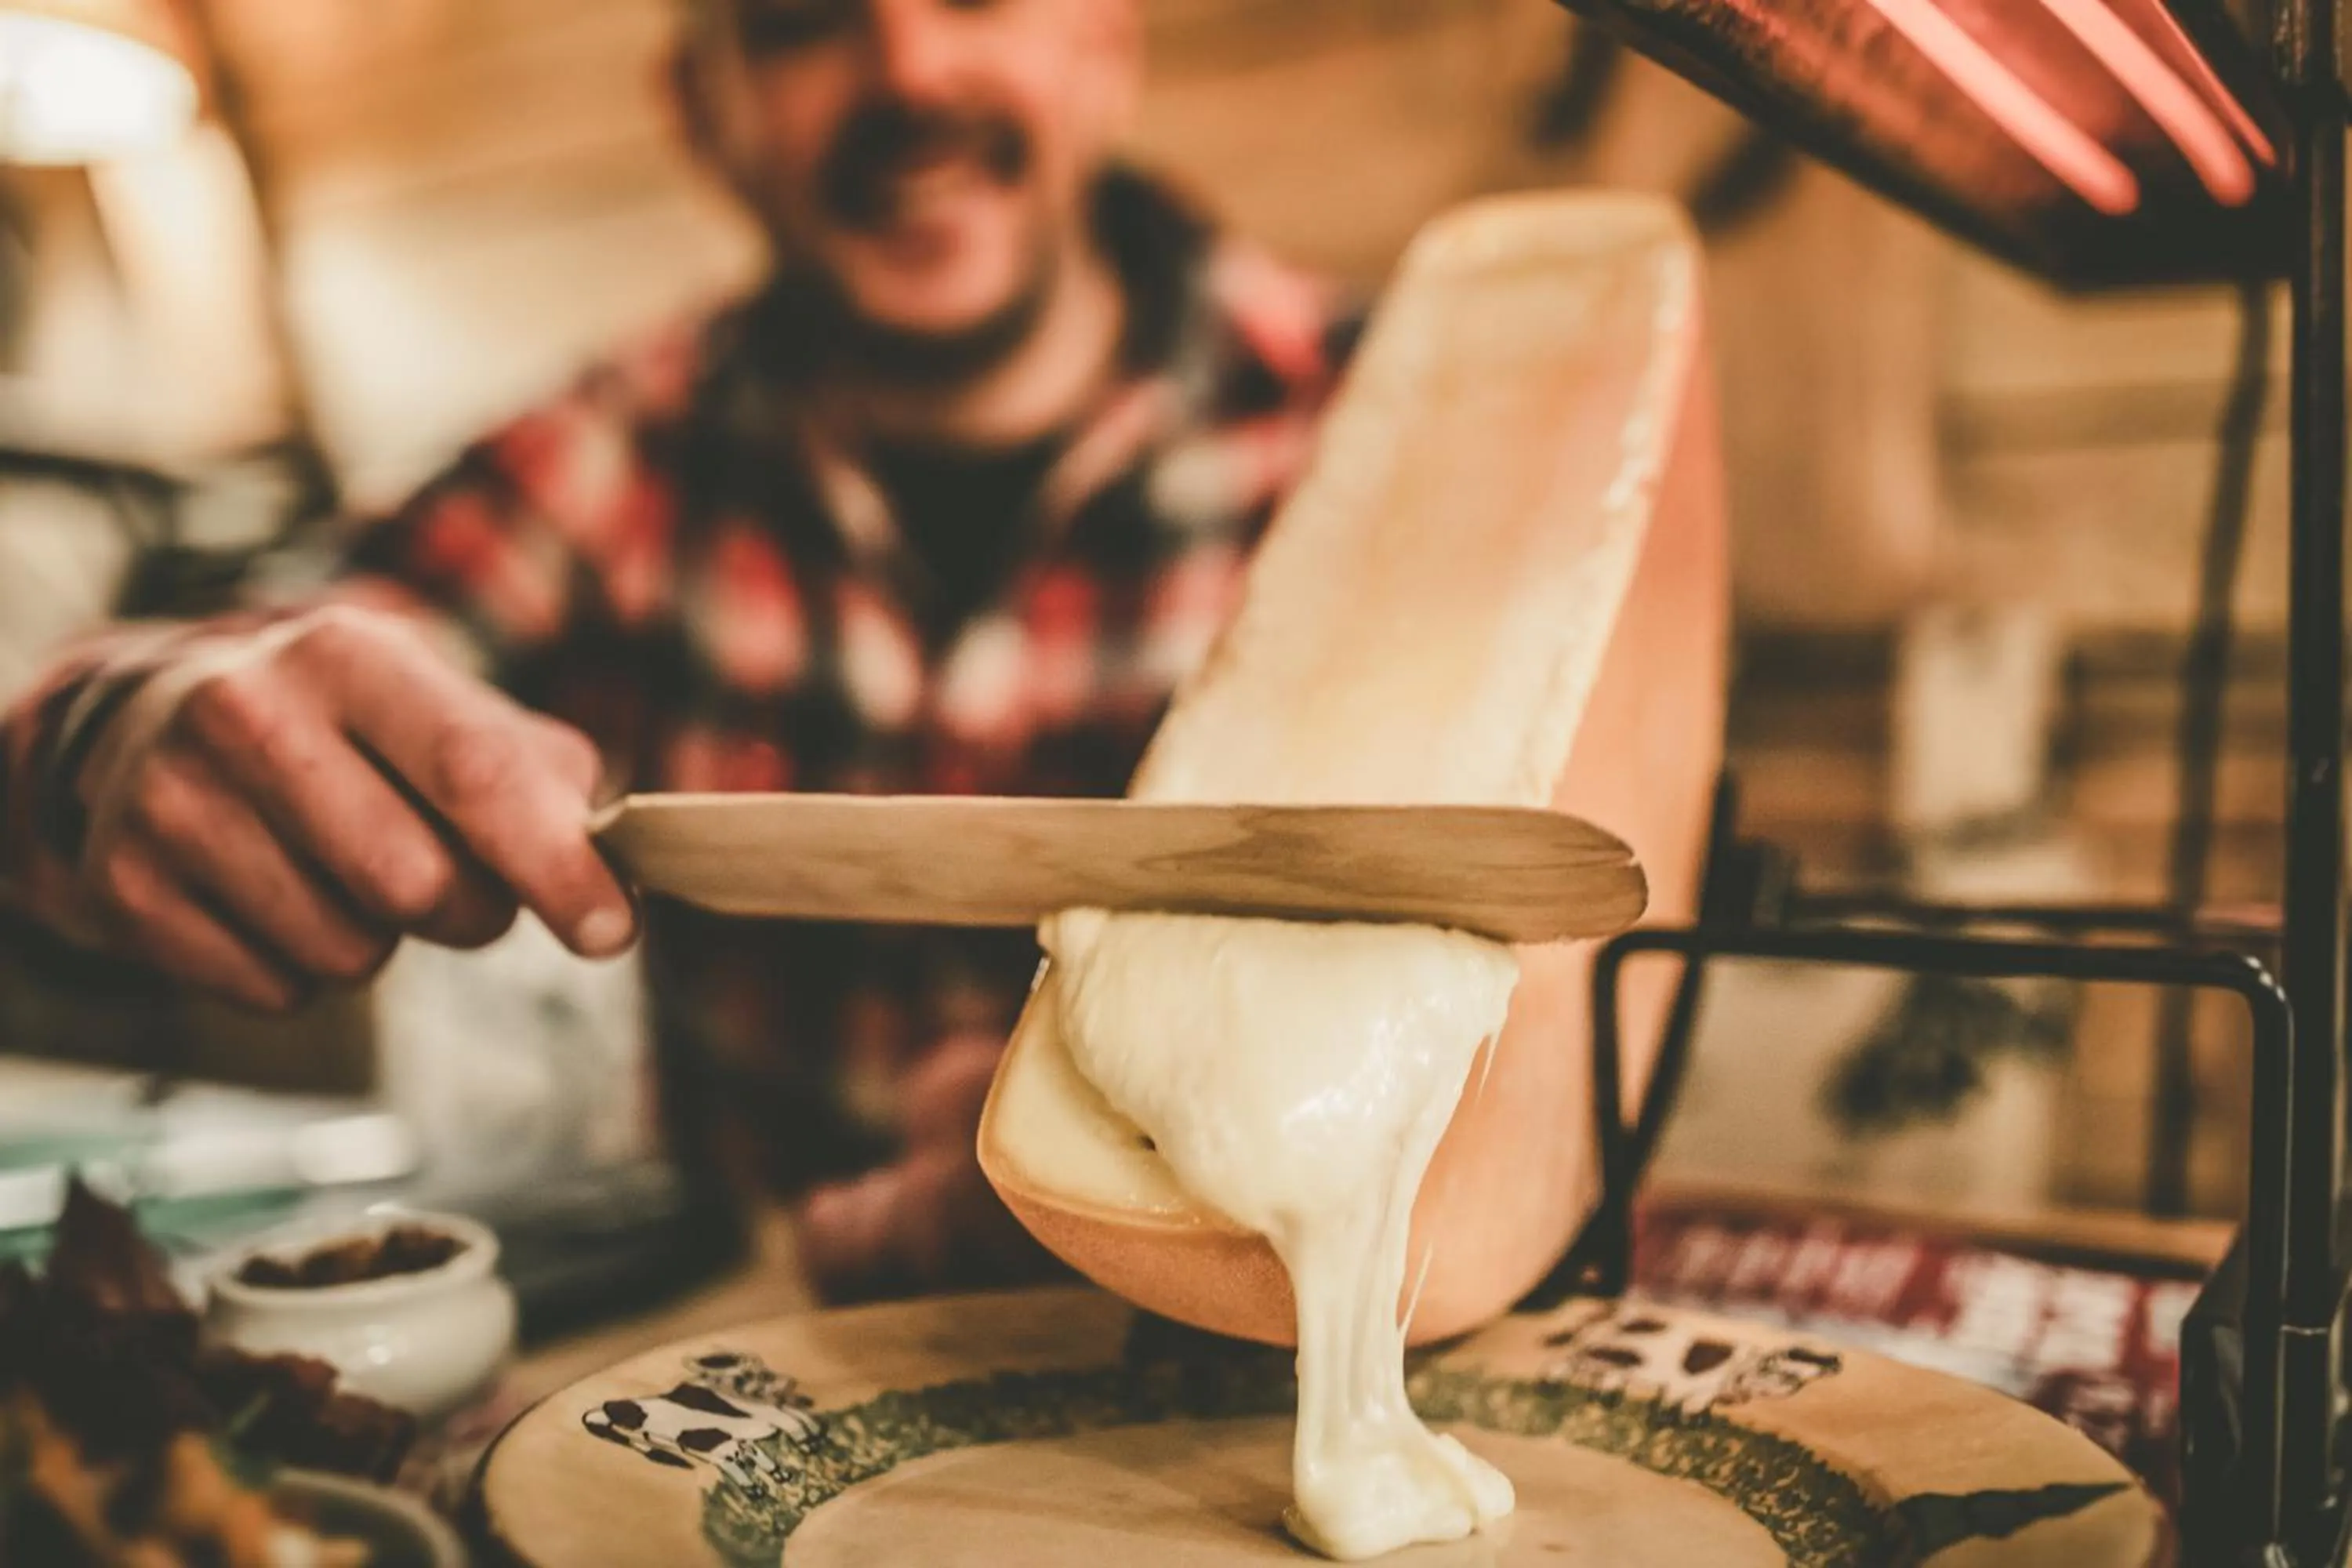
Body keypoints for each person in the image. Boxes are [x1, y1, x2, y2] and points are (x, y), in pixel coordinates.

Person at [0, 0, 1357, 1301]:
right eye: (794, 18)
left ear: (1102, 46)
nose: (908, 73)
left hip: (1291, 1358)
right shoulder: (619, 454)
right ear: (701, 111)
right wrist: (107, 736)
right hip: (749, 1375)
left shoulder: (1394, 426)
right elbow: (284, 658)